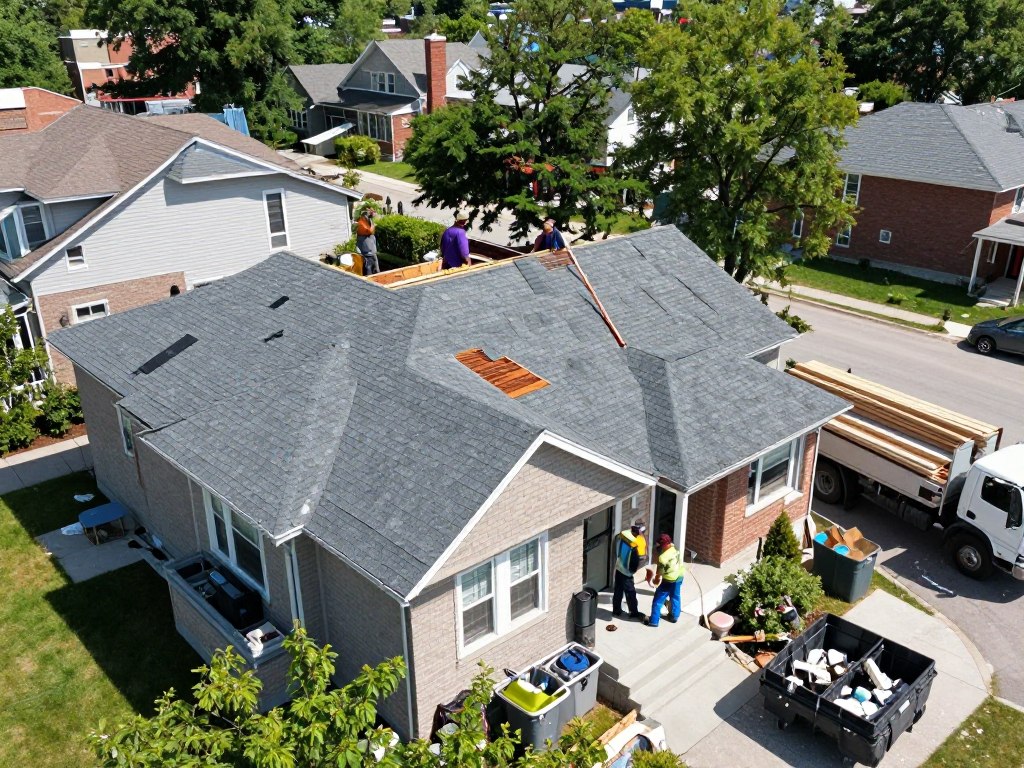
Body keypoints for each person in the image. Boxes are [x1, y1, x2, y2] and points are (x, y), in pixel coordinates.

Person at [644, 533, 684, 627]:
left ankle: (653, 621)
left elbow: (659, 573)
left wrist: (655, 581)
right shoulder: (676, 550)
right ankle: (674, 617)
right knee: (675, 596)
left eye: (661, 546)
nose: (660, 548)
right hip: (679, 576)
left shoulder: (663, 558)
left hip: (668, 581)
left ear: (665, 544)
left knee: (658, 601)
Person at [612, 518, 647, 620]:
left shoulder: (624, 536)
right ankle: (633, 612)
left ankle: (616, 610)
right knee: (631, 592)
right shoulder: (635, 545)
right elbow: (636, 561)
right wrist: (633, 570)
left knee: (618, 590)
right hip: (626, 572)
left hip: (619, 567)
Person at [356, 207, 379, 276]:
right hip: (367, 250)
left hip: (372, 249)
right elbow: (369, 231)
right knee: (368, 266)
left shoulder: (368, 220)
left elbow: (371, 231)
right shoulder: (361, 223)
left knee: (375, 264)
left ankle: (377, 273)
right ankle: (369, 277)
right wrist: (373, 226)